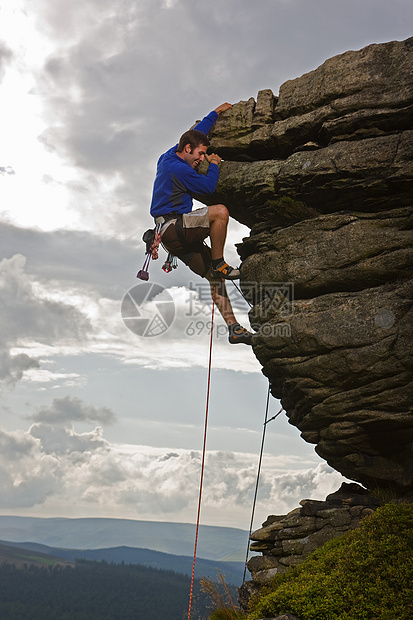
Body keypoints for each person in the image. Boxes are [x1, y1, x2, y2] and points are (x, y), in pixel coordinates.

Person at [150, 103, 252, 345]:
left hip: (171, 239)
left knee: (213, 279)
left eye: (204, 155)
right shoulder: (179, 169)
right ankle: (219, 262)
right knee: (220, 213)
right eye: (199, 154)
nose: (201, 159)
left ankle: (234, 328)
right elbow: (208, 188)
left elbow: (197, 132)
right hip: (176, 227)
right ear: (187, 149)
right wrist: (214, 164)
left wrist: (215, 114)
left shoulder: (168, 156)